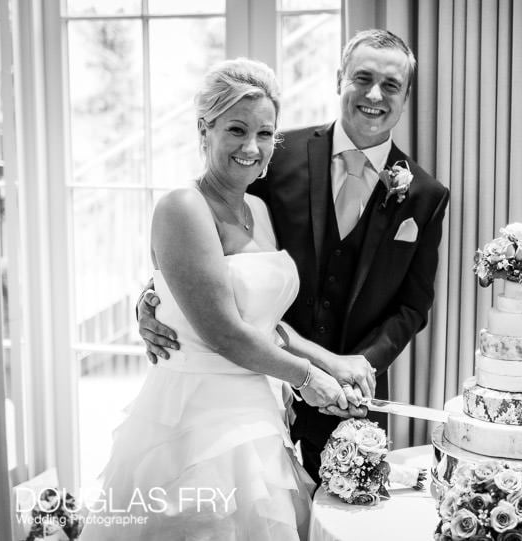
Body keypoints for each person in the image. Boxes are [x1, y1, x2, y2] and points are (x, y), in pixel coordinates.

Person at [138, 29, 451, 483]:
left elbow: (413, 304)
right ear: (339, 78)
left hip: (350, 398)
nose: (374, 95)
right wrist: (154, 298)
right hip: (253, 384)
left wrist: (362, 364)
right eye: (361, 78)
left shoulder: (425, 194)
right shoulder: (272, 155)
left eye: (391, 85)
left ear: (406, 96)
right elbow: (205, 252)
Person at [82, 58, 352, 541]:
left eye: (265, 134)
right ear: (203, 130)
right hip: (199, 422)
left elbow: (262, 322)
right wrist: (310, 377)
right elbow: (224, 329)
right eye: (236, 129)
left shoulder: (260, 209)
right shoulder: (183, 206)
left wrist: (328, 360)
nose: (252, 147)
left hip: (257, 410)